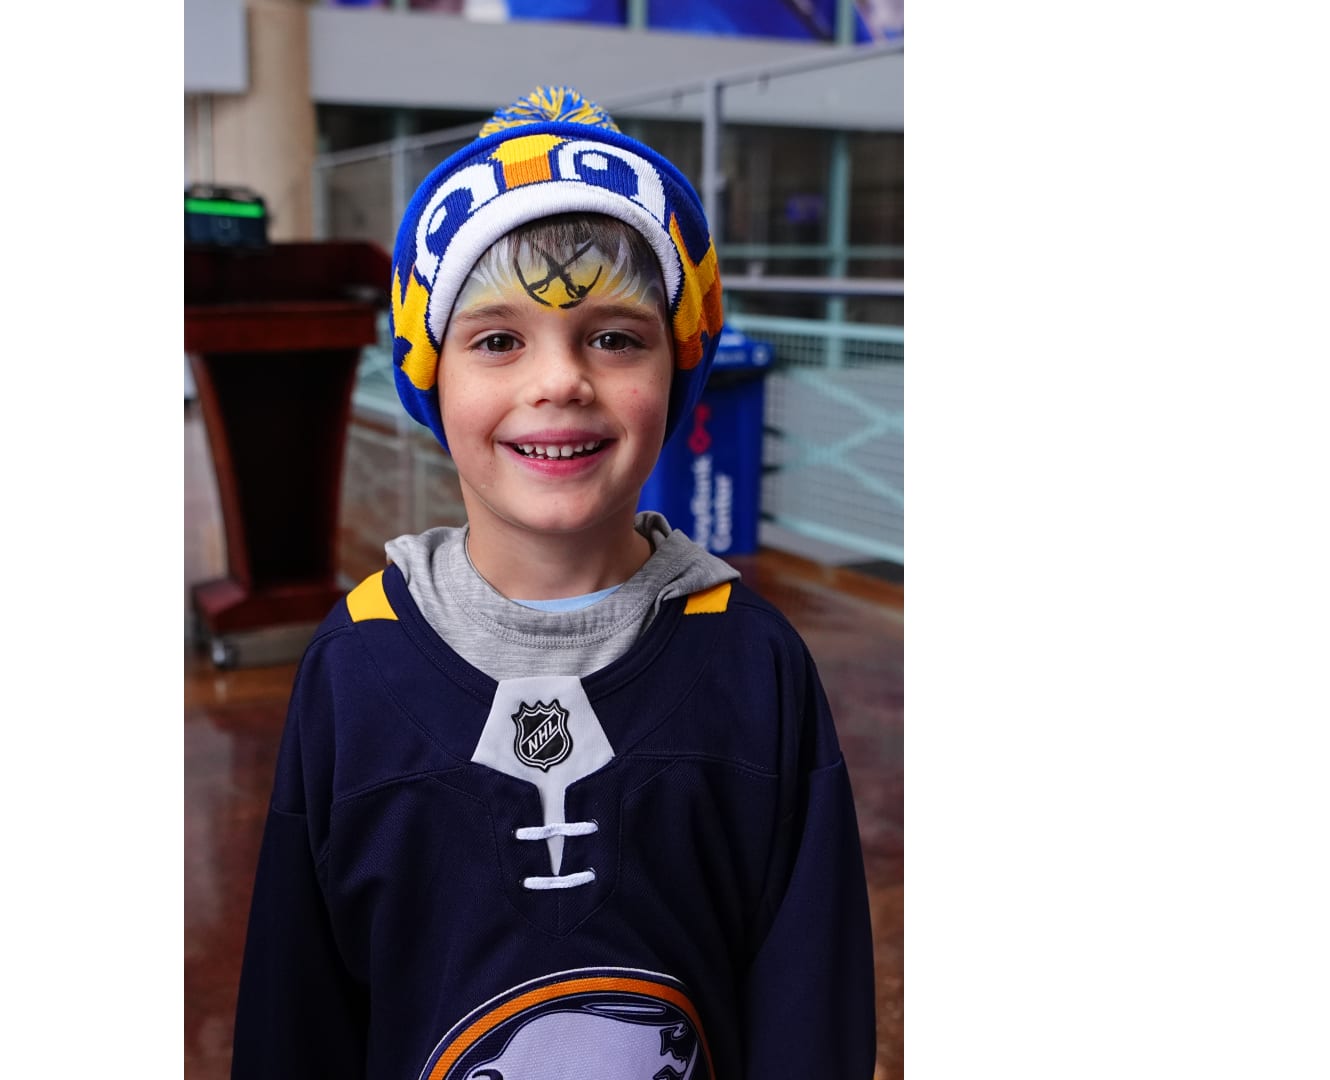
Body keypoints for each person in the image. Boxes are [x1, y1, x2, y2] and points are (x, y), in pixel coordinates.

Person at [231, 86, 874, 1080]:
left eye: (615, 337)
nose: (560, 380)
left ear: (678, 367)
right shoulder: (355, 664)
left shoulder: (756, 663)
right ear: (430, 373)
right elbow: (297, 1015)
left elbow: (810, 1014)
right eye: (498, 339)